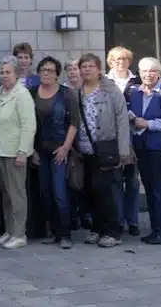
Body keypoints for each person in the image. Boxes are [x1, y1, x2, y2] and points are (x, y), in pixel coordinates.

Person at [77, 53, 130, 248]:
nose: (87, 70)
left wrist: (123, 151)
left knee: (109, 191)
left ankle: (113, 232)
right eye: (84, 66)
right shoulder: (78, 91)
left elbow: (122, 120)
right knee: (92, 191)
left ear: (99, 69)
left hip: (107, 149)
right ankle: (97, 228)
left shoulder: (110, 90)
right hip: (85, 150)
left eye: (91, 66)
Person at [130, 57, 161, 245]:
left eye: (152, 71)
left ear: (159, 73)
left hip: (159, 149)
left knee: (160, 191)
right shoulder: (135, 92)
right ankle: (156, 230)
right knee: (150, 190)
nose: (148, 74)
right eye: (144, 71)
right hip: (142, 148)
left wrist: (149, 124)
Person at [31, 57, 79, 249]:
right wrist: (31, 149)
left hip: (60, 150)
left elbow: (75, 122)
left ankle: (65, 234)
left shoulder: (66, 94)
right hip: (39, 150)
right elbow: (28, 123)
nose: (46, 73)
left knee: (60, 192)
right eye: (43, 70)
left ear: (57, 74)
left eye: (50, 70)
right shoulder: (32, 92)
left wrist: (66, 147)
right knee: (45, 192)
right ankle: (51, 231)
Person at [0, 56, 36, 249]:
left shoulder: (22, 94)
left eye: (8, 72)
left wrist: (23, 151)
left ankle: (19, 234)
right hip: (0, 150)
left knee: (17, 194)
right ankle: (9, 230)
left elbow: (29, 125)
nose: (4, 75)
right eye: (1, 72)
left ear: (16, 74)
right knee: (7, 194)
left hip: (15, 152)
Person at [106, 46, 141, 237]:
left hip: (134, 137)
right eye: (116, 59)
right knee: (115, 181)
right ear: (110, 62)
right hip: (113, 139)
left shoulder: (138, 81)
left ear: (130, 61)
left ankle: (133, 221)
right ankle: (118, 220)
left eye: (124, 59)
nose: (120, 62)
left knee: (133, 182)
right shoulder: (104, 81)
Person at [64, 59, 90, 230]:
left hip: (87, 141)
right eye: (69, 69)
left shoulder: (87, 89)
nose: (73, 72)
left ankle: (86, 215)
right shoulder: (63, 91)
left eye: (75, 68)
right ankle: (73, 216)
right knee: (72, 181)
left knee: (87, 181)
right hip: (69, 141)